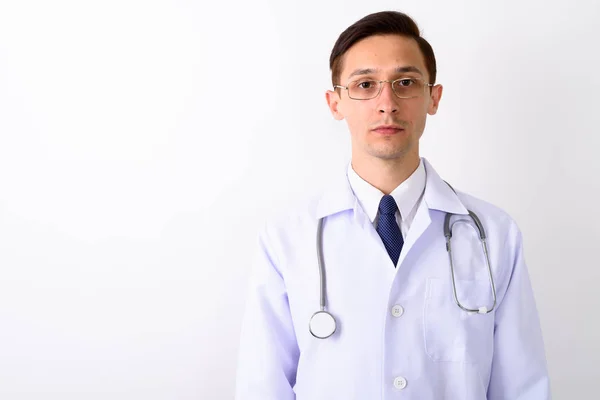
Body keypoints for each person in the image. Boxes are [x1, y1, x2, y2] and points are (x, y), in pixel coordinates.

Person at [235, 10, 550, 400]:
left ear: (433, 98)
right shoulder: (287, 239)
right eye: (365, 84)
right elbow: (262, 387)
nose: (387, 103)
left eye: (405, 82)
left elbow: (521, 388)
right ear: (335, 104)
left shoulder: (495, 235)